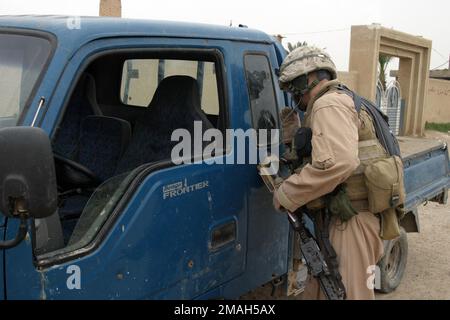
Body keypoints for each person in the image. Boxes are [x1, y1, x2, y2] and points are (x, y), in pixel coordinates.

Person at [273, 46, 384, 300]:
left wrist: (287, 194)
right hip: (353, 219)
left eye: (293, 88)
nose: (293, 97)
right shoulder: (343, 99)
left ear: (307, 78)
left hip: (351, 223)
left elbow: (338, 162)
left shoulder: (327, 104)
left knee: (348, 294)